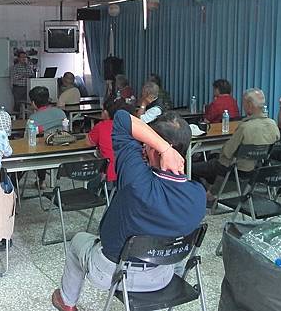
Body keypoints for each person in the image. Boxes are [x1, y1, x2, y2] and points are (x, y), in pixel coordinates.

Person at [51, 111, 206, 311]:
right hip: (163, 277)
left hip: (115, 274)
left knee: (78, 240)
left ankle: (66, 301)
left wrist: (164, 148)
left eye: (148, 144)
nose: (143, 147)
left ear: (158, 147)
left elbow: (122, 119)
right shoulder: (198, 194)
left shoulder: (136, 181)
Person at [192, 88, 280, 205]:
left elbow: (227, 152)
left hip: (234, 168)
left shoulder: (245, 127)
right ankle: (212, 190)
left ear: (249, 105)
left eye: (243, 103)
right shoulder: (273, 124)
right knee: (212, 160)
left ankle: (207, 196)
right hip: (256, 169)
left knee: (190, 168)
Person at [87, 98, 136, 191]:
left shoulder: (101, 126)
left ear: (105, 112)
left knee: (90, 185)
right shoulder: (129, 126)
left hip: (110, 174)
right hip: (129, 173)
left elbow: (88, 142)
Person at [29, 86, 67, 188]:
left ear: (33, 103)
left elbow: (27, 140)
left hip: (42, 156)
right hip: (62, 152)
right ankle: (41, 181)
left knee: (37, 148)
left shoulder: (33, 119)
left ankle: (41, 181)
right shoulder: (61, 112)